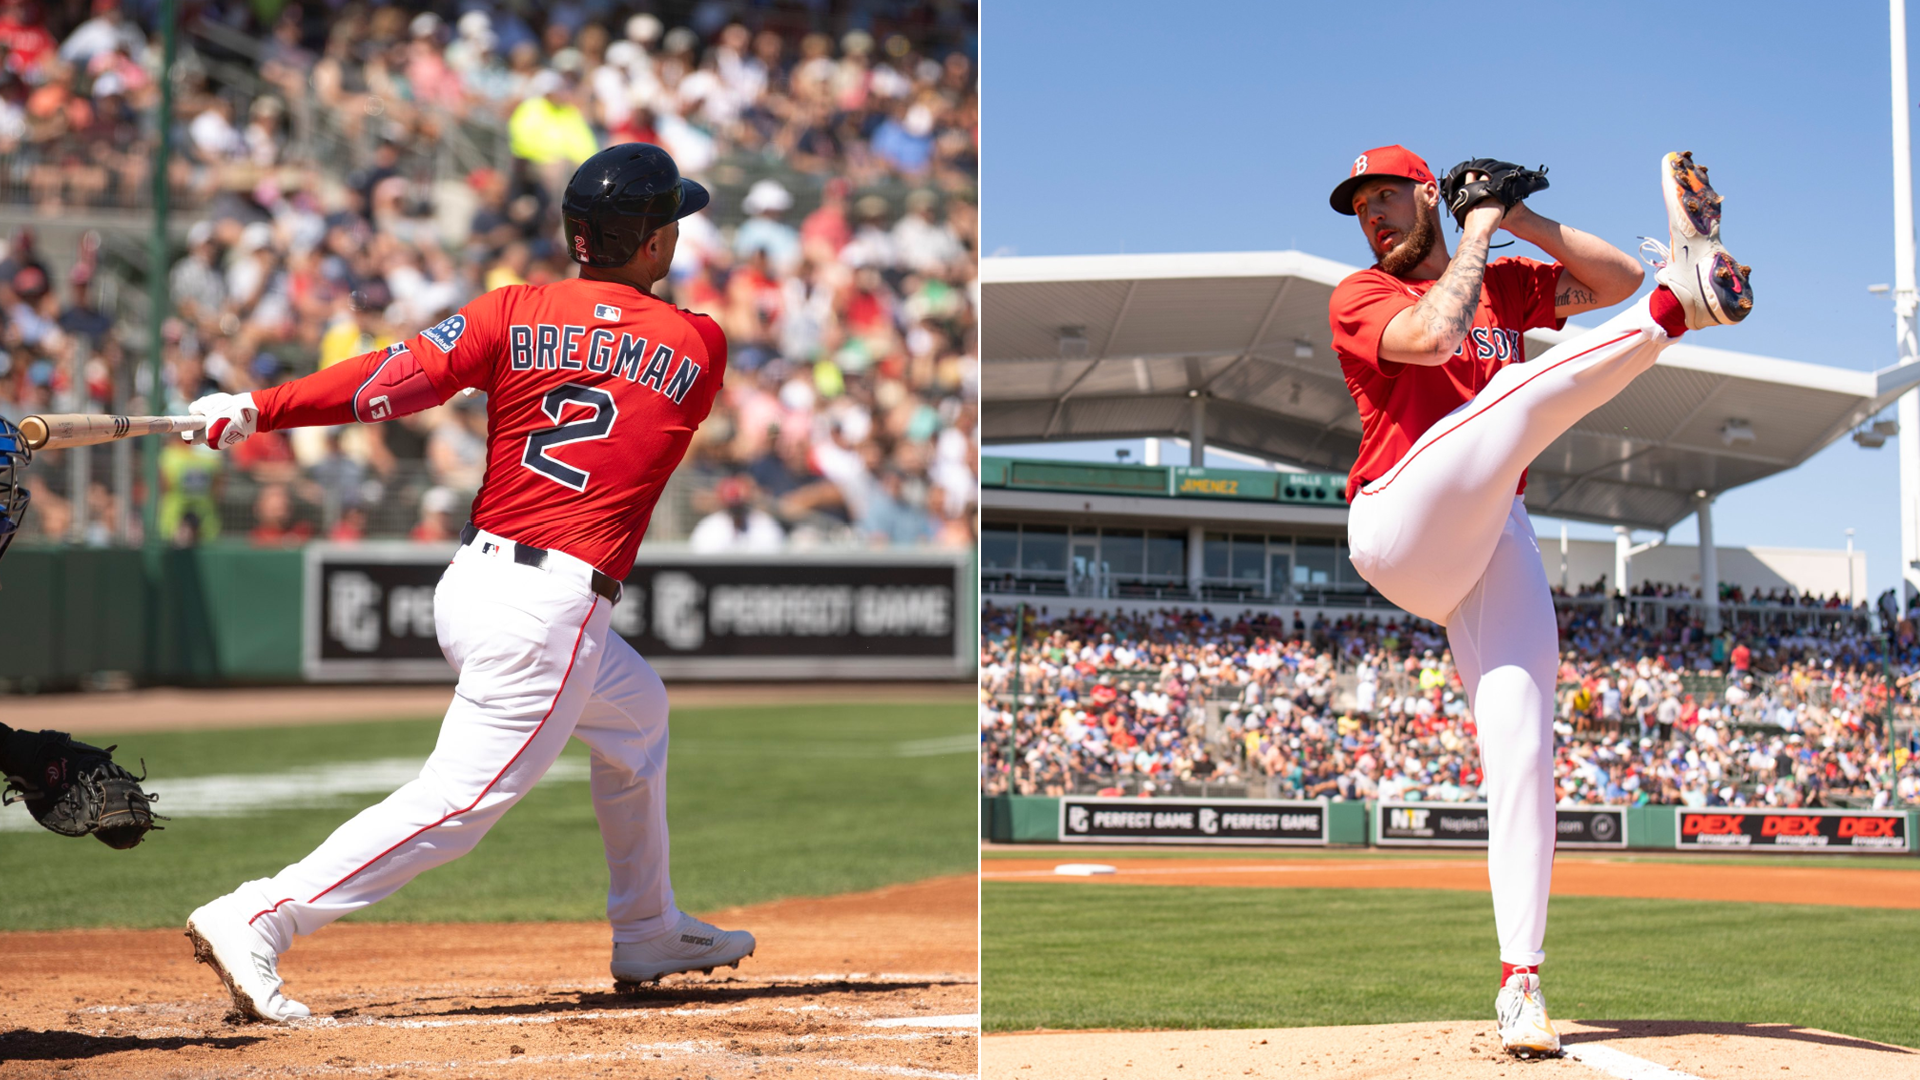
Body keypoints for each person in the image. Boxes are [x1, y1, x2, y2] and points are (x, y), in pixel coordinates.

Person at [179, 144, 754, 1023]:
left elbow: (387, 382)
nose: (677, 235)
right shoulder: (697, 341)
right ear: (647, 242)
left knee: (638, 716)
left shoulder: (510, 308)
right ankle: (261, 913)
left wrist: (259, 407)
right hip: (553, 605)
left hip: (476, 579)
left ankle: (649, 927)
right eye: (671, 221)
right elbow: (631, 360)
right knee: (462, 802)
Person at [1327, 146, 1752, 1057]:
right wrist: (1477, 229)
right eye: (1362, 206)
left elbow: (1613, 275)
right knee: (1517, 386)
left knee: (1523, 747)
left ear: (1424, 195)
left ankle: (1521, 980)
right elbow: (1436, 339)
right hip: (1402, 518)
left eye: (1389, 198)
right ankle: (1682, 312)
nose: (1374, 217)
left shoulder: (1508, 278)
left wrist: (1513, 212)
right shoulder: (1360, 296)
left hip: (1493, 533)